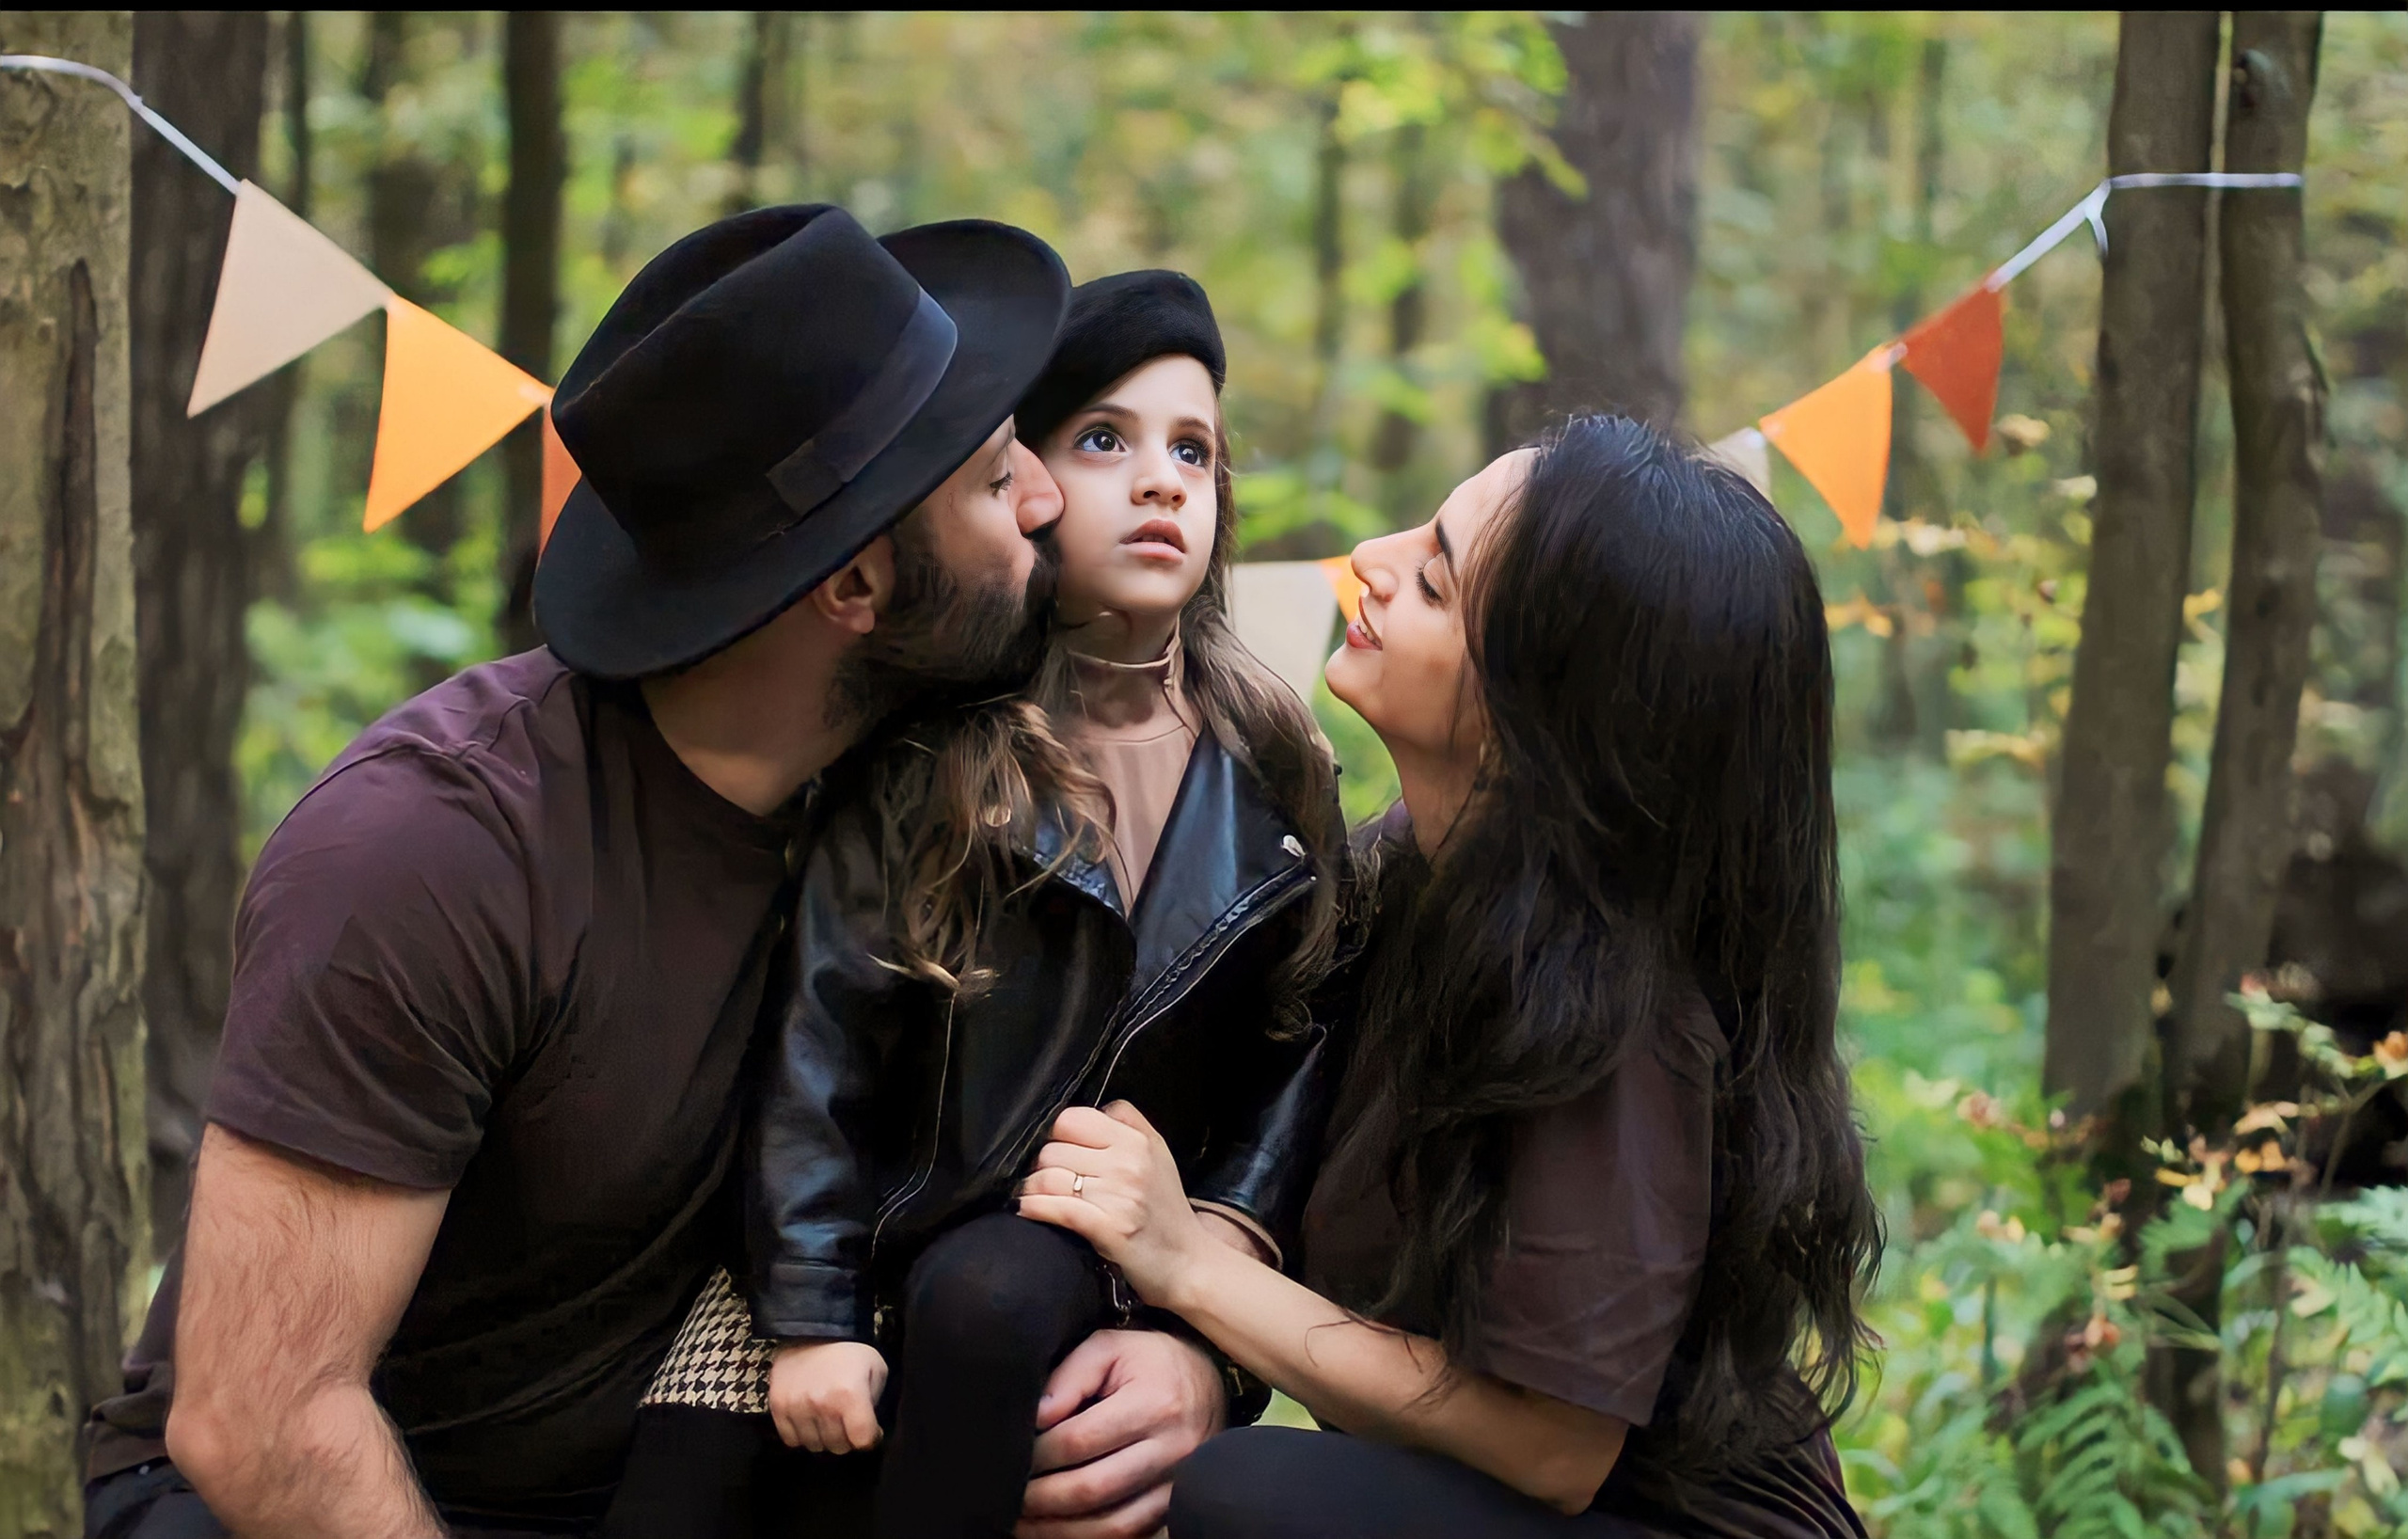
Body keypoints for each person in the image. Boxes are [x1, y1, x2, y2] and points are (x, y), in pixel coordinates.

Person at [80, 208, 1232, 1539]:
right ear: (855, 586)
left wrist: (1200, 1358)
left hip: (700, 1472)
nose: (1045, 498)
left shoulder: (953, 789)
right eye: (990, 481)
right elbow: (261, 1423)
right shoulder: (435, 851)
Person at [1019, 415, 1884, 1538]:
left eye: (1431, 579)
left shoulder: (1617, 1022)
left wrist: (1190, 1270)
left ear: (1539, 718)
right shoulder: (1403, 875)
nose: (1371, 564)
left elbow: (1552, 1445)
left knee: (1250, 1499)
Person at [600, 270, 1346, 1539]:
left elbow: (1301, 1027)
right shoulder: (936, 747)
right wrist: (810, 1314)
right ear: (1029, 491)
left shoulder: (1274, 759)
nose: (1162, 479)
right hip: (859, 1226)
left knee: (990, 1300)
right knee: (683, 1479)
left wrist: (1225, 1241)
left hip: (1084, 1244)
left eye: (1194, 451)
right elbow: (817, 1042)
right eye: (1104, 440)